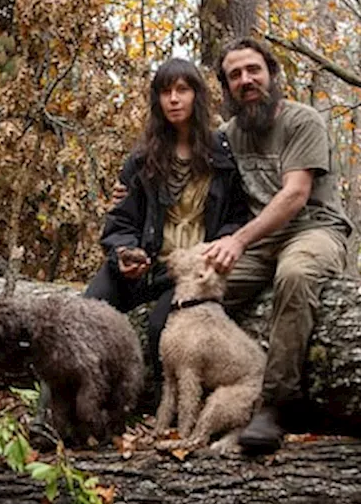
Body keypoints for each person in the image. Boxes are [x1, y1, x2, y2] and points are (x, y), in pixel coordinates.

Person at [201, 37, 353, 454]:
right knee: (204, 288)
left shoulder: (304, 121)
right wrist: (133, 193)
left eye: (253, 70)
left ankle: (277, 406)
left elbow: (294, 196)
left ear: (272, 74)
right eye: (235, 75)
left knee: (296, 274)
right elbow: (183, 173)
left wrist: (238, 239)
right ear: (227, 87)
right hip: (260, 241)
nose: (246, 80)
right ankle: (215, 394)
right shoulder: (228, 135)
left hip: (314, 229)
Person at [85, 57, 251, 372]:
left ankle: (156, 414)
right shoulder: (142, 159)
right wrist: (124, 252)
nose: (173, 99)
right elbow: (121, 220)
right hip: (142, 265)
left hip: (187, 272)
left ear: (196, 96)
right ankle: (49, 417)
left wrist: (214, 254)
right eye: (165, 92)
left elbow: (237, 218)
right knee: (82, 318)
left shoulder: (222, 157)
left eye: (182, 90)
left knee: (160, 330)